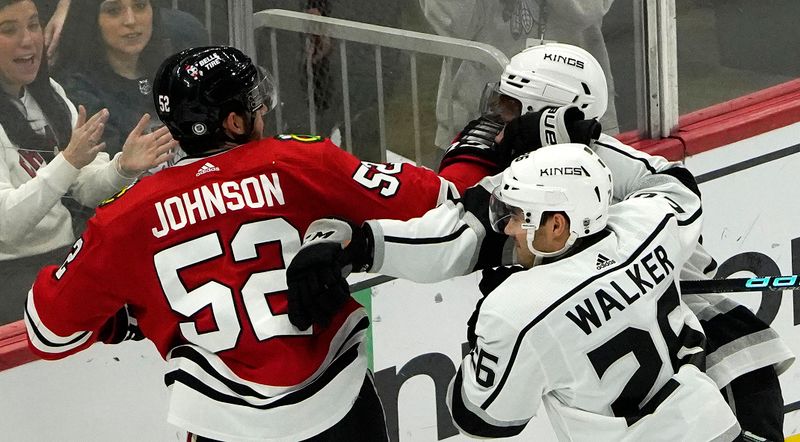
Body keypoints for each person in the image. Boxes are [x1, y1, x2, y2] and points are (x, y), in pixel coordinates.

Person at [22, 45, 600, 441]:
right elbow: (443, 199)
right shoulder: (301, 163)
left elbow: (48, 331)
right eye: (251, 101)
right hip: (338, 409)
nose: (263, 106)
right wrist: (489, 145)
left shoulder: (124, 217)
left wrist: (128, 313)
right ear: (231, 122)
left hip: (223, 427)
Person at [288, 43, 794, 440]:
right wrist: (359, 245)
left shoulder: (564, 185)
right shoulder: (576, 187)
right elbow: (674, 189)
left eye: (510, 105)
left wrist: (359, 245)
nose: (495, 114)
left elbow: (465, 231)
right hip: (693, 392)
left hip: (709, 360)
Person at [288, 142, 748, 440]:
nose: (506, 228)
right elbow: (675, 183)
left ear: (557, 224)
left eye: (517, 215)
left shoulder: (516, 310)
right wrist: (587, 142)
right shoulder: (651, 223)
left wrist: (487, 313)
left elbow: (481, 418)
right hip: (718, 427)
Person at [479, 42, 794, 442]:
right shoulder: (567, 183)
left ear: (542, 114)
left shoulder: (584, 187)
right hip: (704, 374)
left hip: (718, 366)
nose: (496, 119)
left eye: (508, 107)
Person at [0, 0, 175, 324]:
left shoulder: (48, 92)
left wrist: (123, 167)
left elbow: (84, 187)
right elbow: (6, 229)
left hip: (65, 256)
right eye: (9, 30)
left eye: (34, 25)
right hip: (10, 275)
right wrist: (67, 161)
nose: (28, 40)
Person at [420, 0, 619, 151]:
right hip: (475, 119)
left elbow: (587, 9)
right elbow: (452, 24)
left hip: (576, 116)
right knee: (466, 201)